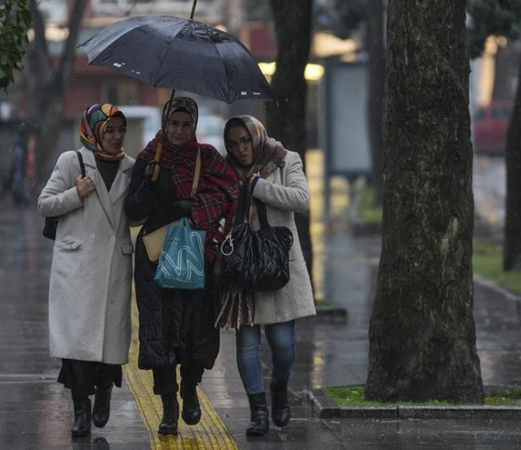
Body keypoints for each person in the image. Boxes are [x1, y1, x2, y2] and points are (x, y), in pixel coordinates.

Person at [124, 96, 238, 435]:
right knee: (160, 333)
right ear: (164, 123)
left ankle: (189, 388)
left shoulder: (209, 158)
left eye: (186, 124)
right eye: (173, 123)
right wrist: (147, 181)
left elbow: (232, 194)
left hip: (196, 255)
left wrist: (196, 207)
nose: (178, 130)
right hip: (156, 258)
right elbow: (133, 213)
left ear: (195, 126)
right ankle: (169, 405)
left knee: (195, 330)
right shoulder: (149, 158)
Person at [37, 103, 135, 438]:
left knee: (109, 339)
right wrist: (76, 194)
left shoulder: (131, 168)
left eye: (121, 130)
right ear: (93, 131)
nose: (117, 137)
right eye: (109, 130)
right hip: (76, 265)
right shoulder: (71, 161)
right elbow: (45, 203)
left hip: (113, 264)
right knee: (76, 343)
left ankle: (105, 391)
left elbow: (134, 217)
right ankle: (81, 408)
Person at [219, 115, 316, 436]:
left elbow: (301, 201)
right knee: (246, 344)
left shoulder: (285, 160)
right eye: (233, 144)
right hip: (242, 270)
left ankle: (279, 388)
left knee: (283, 343)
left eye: (245, 141)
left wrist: (260, 187)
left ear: (257, 136)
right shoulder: (224, 170)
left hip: (277, 266)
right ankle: (258, 411)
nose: (240, 149)